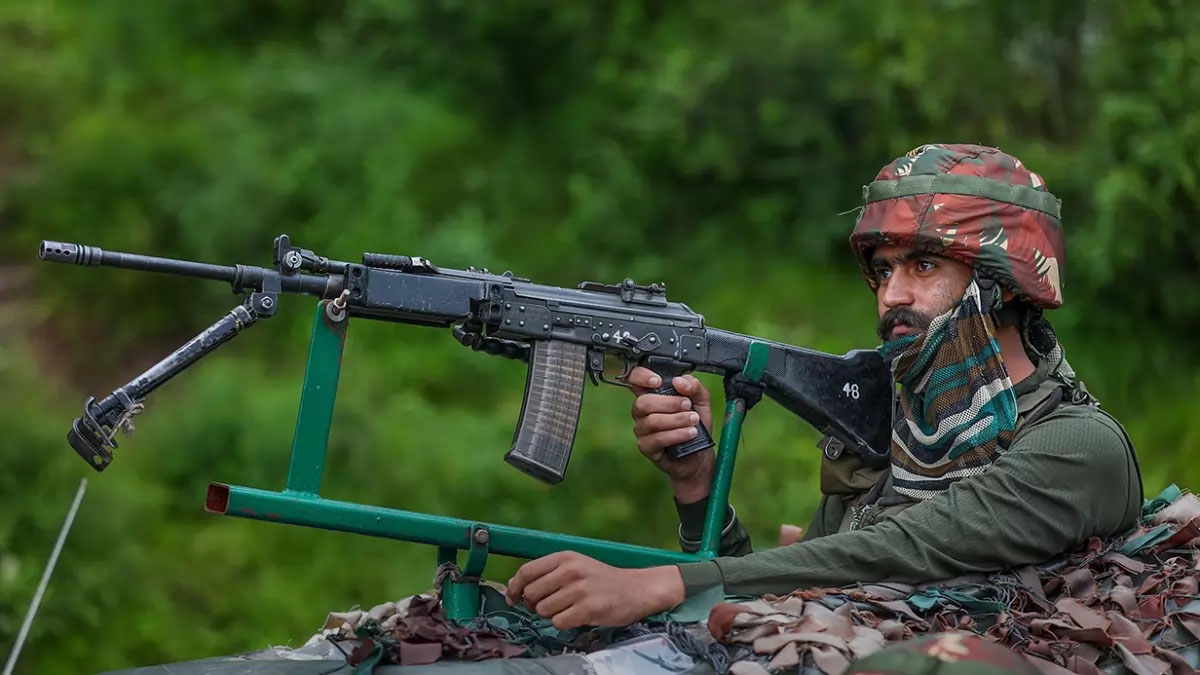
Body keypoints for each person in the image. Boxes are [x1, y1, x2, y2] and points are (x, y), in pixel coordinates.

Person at [505, 143, 1143, 631]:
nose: (892, 295)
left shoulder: (1078, 448)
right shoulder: (900, 435)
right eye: (884, 270)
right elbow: (793, 594)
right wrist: (697, 486)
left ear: (1000, 285)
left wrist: (664, 584)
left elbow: (904, 548)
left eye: (923, 266)